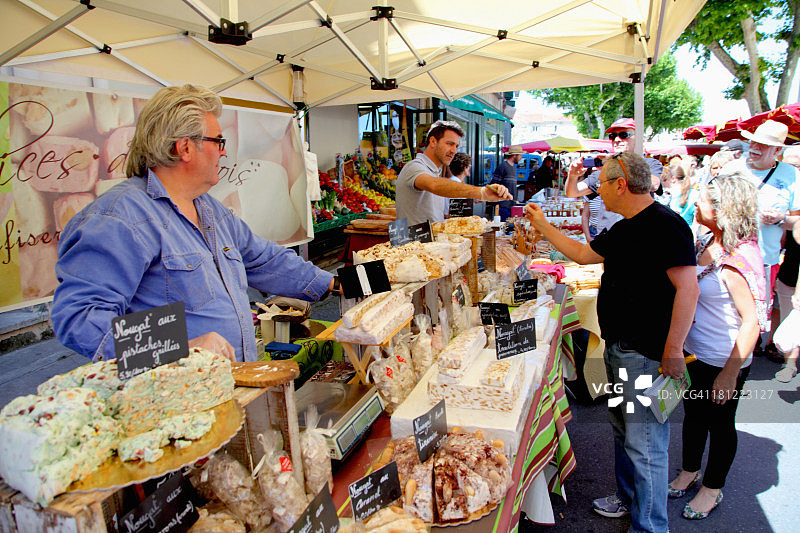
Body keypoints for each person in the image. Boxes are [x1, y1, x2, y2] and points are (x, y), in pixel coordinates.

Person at [51, 84, 339, 363]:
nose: (223, 152)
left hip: (232, 384)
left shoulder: (209, 210)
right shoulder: (119, 218)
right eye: (218, 141)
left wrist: (338, 283)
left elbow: (265, 261)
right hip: (176, 399)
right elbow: (80, 319)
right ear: (185, 147)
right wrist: (180, 347)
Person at [525, 152, 699, 533]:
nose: (596, 189)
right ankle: (628, 498)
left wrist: (673, 352)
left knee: (646, 445)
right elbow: (585, 254)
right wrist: (541, 225)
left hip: (646, 354)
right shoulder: (624, 227)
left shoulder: (666, 226)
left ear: (621, 184)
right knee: (623, 431)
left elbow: (689, 290)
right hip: (620, 348)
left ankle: (650, 527)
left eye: (601, 183)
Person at [668, 174, 765, 520]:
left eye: (704, 200)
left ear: (724, 210)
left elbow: (752, 321)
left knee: (721, 424)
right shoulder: (710, 240)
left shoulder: (741, 256)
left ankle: (712, 487)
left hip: (725, 361)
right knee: (694, 416)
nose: (696, 203)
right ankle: (689, 470)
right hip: (697, 354)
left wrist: (729, 373)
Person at [720, 121, 800, 353]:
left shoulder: (791, 175)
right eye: (753, 141)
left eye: (763, 145)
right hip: (727, 255)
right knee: (723, 313)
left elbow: (797, 222)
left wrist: (779, 219)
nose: (754, 147)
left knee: (752, 317)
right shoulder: (731, 169)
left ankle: (740, 364)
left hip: (764, 262)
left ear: (777, 151)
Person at [396, 120, 511, 225]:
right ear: (433, 141)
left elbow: (435, 215)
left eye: (456, 146)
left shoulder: (435, 171)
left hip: (430, 244)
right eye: (449, 144)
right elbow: (434, 185)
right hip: (412, 246)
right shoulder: (415, 166)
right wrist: (481, 192)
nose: (454, 151)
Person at [562, 118, 662, 234]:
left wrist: (617, 165)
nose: (617, 140)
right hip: (607, 237)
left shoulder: (650, 164)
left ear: (639, 138)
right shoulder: (606, 168)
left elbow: (653, 184)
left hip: (637, 236)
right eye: (613, 136)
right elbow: (572, 192)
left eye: (624, 135)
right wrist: (573, 175)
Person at [773, 146, 800, 381]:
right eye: (789, 164)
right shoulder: (785, 190)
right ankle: (789, 364)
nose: (792, 169)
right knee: (790, 314)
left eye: (797, 165)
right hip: (792, 265)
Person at [489, 145, 524, 220]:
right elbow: (493, 185)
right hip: (502, 206)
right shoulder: (503, 166)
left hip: (511, 206)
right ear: (514, 155)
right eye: (520, 155)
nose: (521, 157)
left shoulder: (513, 168)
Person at [444, 152, 472, 217]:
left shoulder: (449, 182)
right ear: (465, 168)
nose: (470, 168)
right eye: (469, 166)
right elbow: (457, 215)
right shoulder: (458, 187)